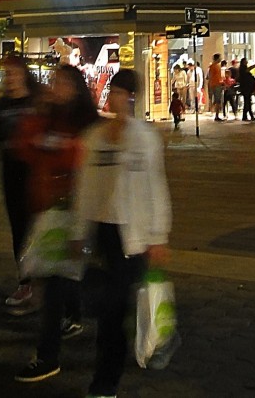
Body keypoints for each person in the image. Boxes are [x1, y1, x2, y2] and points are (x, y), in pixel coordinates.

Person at [68, 69, 171, 398]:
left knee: (117, 306)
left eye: (123, 93)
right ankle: (108, 370)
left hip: (135, 236)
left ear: (133, 98)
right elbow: (84, 187)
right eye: (113, 91)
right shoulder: (94, 138)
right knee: (108, 308)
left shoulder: (144, 138)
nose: (116, 98)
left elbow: (156, 187)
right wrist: (78, 230)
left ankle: (107, 379)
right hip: (102, 233)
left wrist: (158, 235)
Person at [12, 64, 99, 384]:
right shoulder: (49, 117)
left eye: (61, 82)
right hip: (48, 213)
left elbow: (83, 166)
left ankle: (48, 356)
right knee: (57, 280)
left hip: (76, 213)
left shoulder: (86, 124)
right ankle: (71, 325)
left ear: (75, 88)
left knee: (57, 284)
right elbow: (26, 148)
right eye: (53, 82)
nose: (54, 87)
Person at [0, 55, 40, 314]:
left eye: (14, 73)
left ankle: (43, 282)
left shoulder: (38, 100)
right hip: (11, 173)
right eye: (7, 74)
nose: (10, 79)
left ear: (24, 74)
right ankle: (26, 281)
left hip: (35, 173)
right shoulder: (4, 103)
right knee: (19, 229)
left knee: (37, 228)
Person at [207, 54, 225, 121]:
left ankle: (215, 113)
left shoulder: (217, 66)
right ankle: (216, 115)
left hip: (217, 84)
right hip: (215, 85)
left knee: (217, 100)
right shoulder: (213, 66)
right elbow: (211, 76)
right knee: (218, 100)